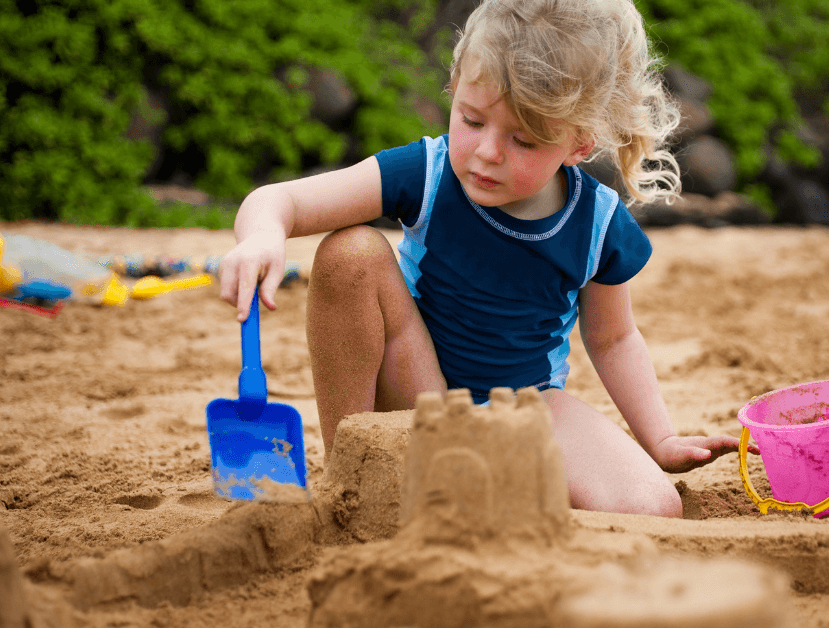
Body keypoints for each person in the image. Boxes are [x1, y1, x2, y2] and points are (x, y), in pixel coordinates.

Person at [217, 0, 755, 518]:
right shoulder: (427, 173)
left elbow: (614, 339)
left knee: (653, 506)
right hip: (416, 395)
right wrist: (262, 236)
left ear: (577, 144)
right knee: (350, 252)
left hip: (522, 407)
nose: (487, 152)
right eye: (472, 120)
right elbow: (280, 201)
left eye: (523, 140)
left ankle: (479, 478)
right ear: (455, 89)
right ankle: (353, 477)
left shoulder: (597, 223)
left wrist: (659, 439)